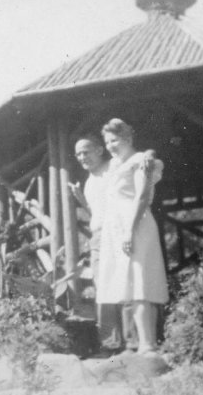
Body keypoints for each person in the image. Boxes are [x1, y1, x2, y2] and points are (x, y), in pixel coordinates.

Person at [97, 118, 168, 355]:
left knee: (141, 283)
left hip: (136, 225)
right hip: (118, 228)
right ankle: (143, 343)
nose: (110, 146)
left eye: (115, 140)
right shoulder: (115, 165)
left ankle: (148, 344)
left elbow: (141, 196)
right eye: (107, 142)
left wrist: (129, 229)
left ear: (128, 138)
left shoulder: (140, 161)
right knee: (129, 285)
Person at [69, 134, 123, 350]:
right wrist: (80, 197)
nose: (82, 157)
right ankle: (110, 343)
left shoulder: (114, 167)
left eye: (86, 151)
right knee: (103, 287)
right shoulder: (89, 182)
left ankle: (133, 341)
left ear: (100, 150)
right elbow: (95, 213)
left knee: (125, 284)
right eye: (79, 154)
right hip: (99, 236)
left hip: (118, 233)